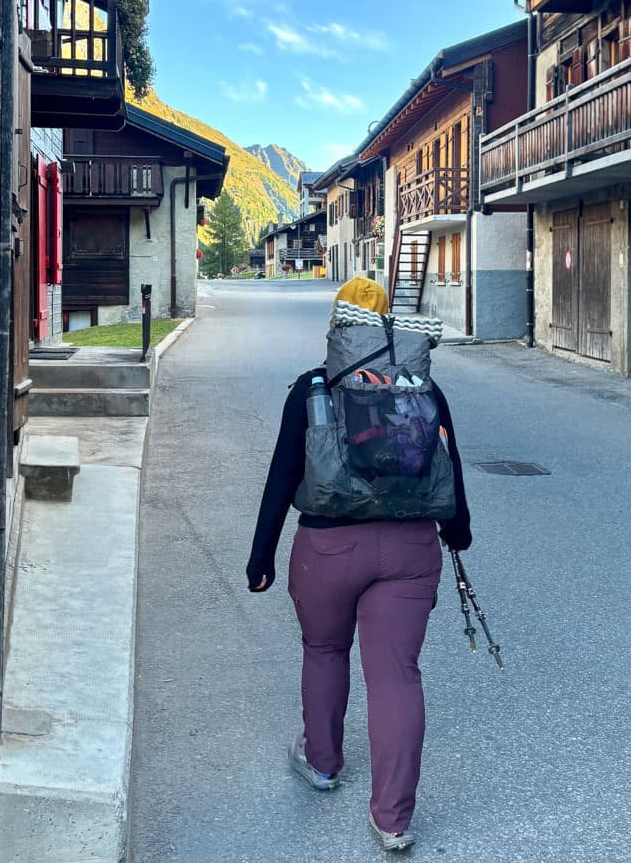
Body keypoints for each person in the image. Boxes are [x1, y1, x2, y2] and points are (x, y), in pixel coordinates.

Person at [246, 276, 472, 852]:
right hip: (411, 549)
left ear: (338, 324)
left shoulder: (313, 388)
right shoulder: (425, 387)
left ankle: (322, 762)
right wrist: (456, 532)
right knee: (397, 676)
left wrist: (261, 554)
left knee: (324, 650)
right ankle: (392, 819)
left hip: (328, 548)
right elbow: (449, 466)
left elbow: (282, 476)